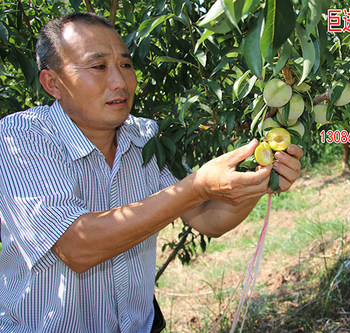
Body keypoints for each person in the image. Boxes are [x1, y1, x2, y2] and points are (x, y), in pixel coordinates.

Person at [0, 13, 303, 333]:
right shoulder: (20, 137)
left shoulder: (147, 137)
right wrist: (197, 186)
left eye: (126, 65)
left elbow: (208, 219)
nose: (120, 82)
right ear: (53, 83)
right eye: (98, 66)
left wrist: (258, 180)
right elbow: (77, 246)